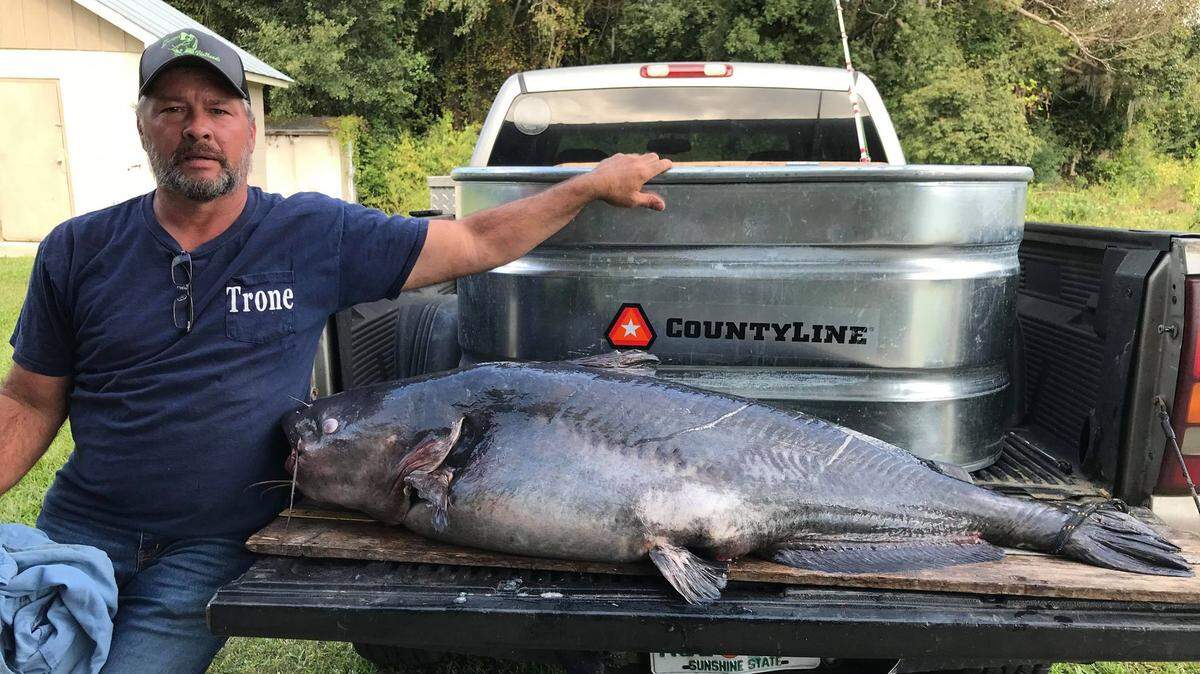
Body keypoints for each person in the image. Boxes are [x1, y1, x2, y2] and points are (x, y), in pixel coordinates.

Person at [0, 28, 671, 673]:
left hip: (207, 547)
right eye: (172, 109)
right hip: (78, 529)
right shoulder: (79, 248)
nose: (197, 127)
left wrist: (586, 185)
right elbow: (29, 398)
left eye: (217, 109)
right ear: (143, 124)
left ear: (249, 129)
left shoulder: (312, 234)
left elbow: (473, 243)